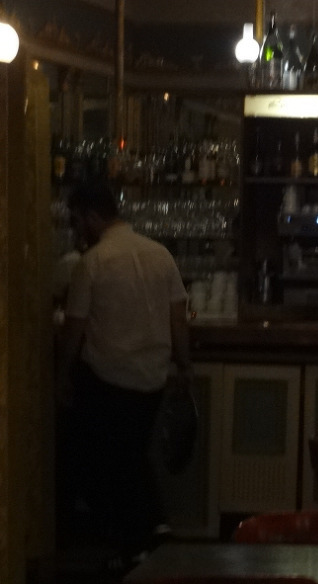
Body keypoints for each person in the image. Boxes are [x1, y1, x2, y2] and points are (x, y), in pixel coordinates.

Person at [57, 181, 191, 575]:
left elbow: (75, 327)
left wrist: (62, 375)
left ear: (92, 216)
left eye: (77, 220)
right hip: (152, 378)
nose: (76, 228)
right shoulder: (160, 255)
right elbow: (179, 318)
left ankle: (138, 542)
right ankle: (150, 532)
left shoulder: (93, 262)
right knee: (130, 458)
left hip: (107, 378)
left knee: (103, 464)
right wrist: (184, 366)